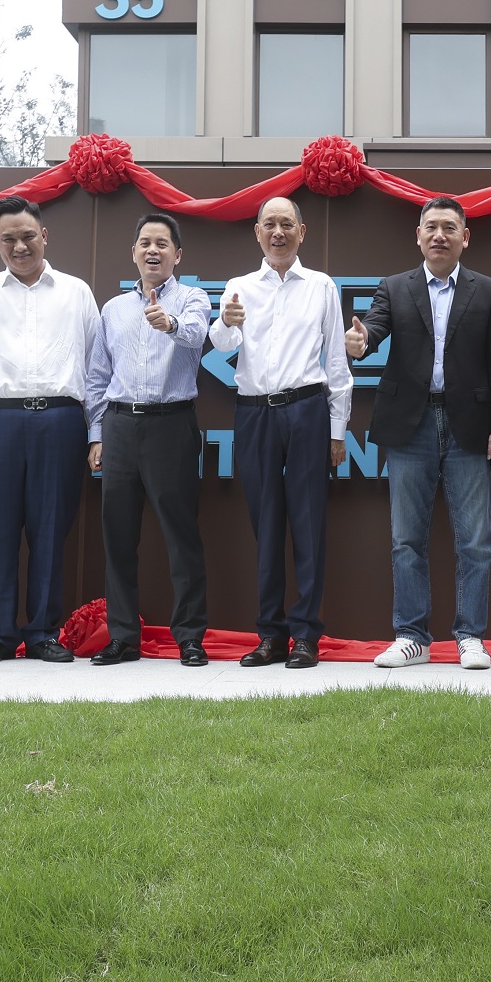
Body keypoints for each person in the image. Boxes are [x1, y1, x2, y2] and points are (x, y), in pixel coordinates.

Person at [347, 196, 491, 672]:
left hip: (469, 426)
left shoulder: (488, 291)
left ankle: (471, 636)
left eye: (449, 227)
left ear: (465, 237)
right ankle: (411, 636)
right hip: (410, 425)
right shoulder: (395, 287)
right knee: (406, 539)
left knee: (475, 540)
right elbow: (374, 329)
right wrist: (360, 341)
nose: (439, 235)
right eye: (431, 227)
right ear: (418, 235)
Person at [0, 196, 100, 666]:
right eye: (9, 239)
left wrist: (96, 429)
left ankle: (42, 632)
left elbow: (96, 363)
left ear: (44, 237)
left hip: (59, 419)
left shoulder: (76, 291)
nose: (20, 246)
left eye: (28, 236)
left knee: (50, 531)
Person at [209, 196, 353, 670]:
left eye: (286, 224)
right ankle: (270, 634)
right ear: (257, 232)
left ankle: (306, 635)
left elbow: (337, 363)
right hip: (255, 412)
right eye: (269, 224)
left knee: (308, 524)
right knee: (265, 525)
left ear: (301, 232)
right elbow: (223, 343)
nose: (278, 232)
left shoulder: (321, 286)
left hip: (307, 409)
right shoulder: (240, 286)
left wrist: (337, 430)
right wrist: (225, 323)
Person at [85, 212, 215, 667]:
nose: (153, 251)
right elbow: (98, 376)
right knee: (118, 537)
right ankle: (123, 637)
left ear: (178, 254)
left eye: (162, 244)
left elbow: (197, 335)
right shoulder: (114, 309)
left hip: (171, 424)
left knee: (182, 536)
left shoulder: (193, 298)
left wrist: (170, 324)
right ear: (134, 253)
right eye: (145, 243)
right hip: (119, 426)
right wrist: (97, 434)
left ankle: (190, 637)